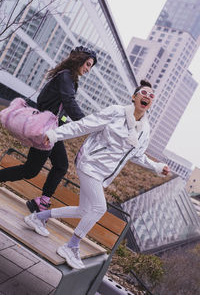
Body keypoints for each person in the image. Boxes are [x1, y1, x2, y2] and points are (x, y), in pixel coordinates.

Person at [24, 80, 170, 270]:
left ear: (151, 103)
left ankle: (38, 217)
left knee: (85, 210)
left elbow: (136, 156)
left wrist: (156, 167)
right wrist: (55, 134)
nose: (147, 97)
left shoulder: (145, 130)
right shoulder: (116, 112)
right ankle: (72, 246)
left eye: (151, 96)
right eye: (143, 93)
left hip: (102, 174)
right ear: (134, 97)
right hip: (89, 163)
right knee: (99, 208)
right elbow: (83, 125)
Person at [0, 46, 97, 213]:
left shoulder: (67, 77)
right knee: (33, 170)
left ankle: (42, 202)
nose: (88, 69)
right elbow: (68, 102)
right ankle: (41, 202)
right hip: (47, 131)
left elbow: (61, 106)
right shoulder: (66, 76)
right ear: (79, 59)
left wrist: (64, 121)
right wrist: (87, 122)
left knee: (58, 166)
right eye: (88, 64)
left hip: (51, 130)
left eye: (90, 66)